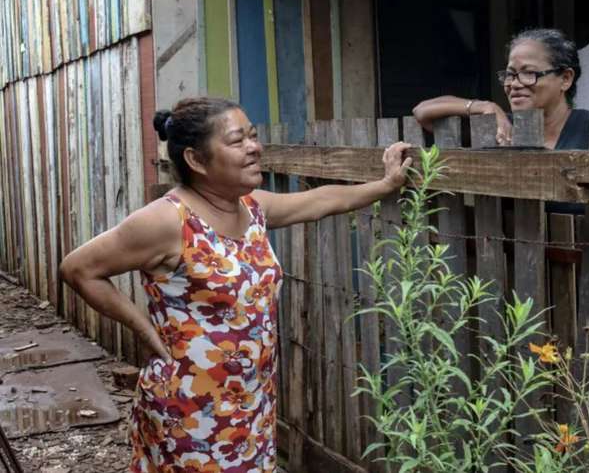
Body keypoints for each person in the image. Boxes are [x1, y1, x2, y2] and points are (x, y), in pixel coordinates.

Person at [59, 97, 411, 472]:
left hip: (252, 402)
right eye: (237, 140)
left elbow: (319, 201)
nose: (253, 147)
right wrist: (143, 328)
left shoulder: (250, 207)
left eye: (253, 137)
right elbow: (78, 268)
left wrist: (385, 184)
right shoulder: (166, 222)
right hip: (190, 410)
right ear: (196, 160)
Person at [412, 28, 589, 150]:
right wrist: (485, 106)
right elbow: (423, 113)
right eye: (510, 74)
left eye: (528, 72)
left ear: (565, 79)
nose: (514, 83)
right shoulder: (501, 129)